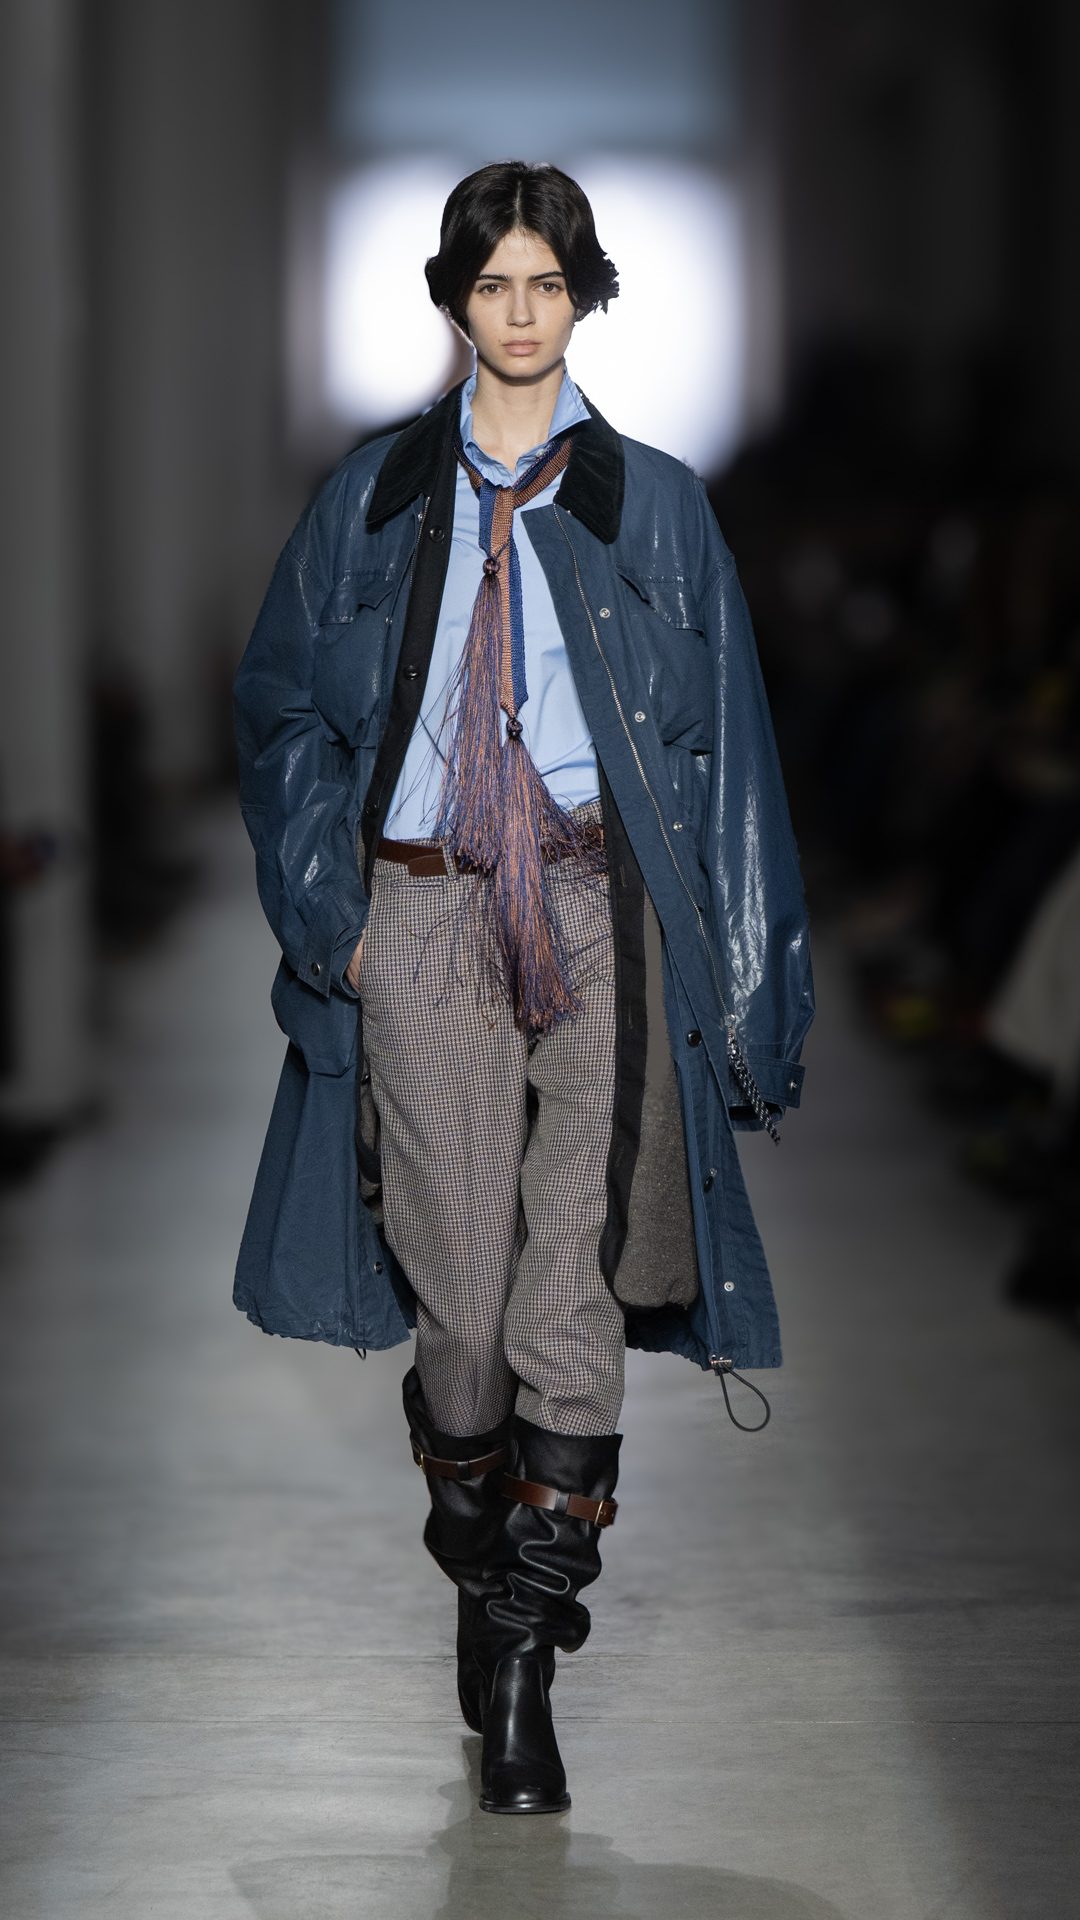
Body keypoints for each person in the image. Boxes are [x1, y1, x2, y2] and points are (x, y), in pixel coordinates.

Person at [232, 159, 815, 1816]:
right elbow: (281, 710)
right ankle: (481, 1549)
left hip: (594, 904)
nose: (520, 312)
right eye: (492, 283)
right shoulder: (370, 498)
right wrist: (335, 918)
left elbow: (731, 753)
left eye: (547, 283)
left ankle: (523, 1662)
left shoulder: (660, 509)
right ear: (454, 300)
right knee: (468, 1308)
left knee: (573, 1285)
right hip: (420, 911)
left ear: (583, 298)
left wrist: (755, 987)